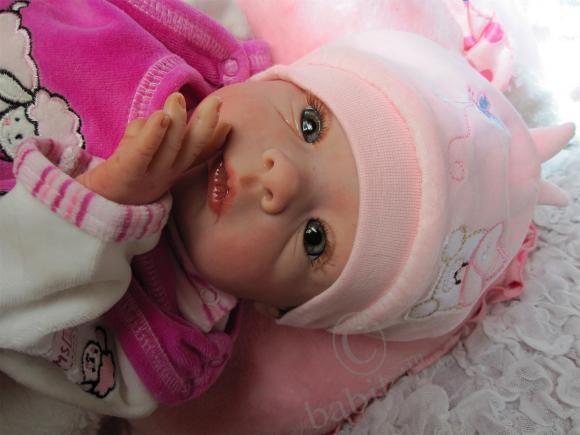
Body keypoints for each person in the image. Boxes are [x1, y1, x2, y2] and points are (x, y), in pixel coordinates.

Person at [0, 0, 575, 428]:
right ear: (276, 79)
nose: (281, 179)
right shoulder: (196, 39)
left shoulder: (160, 347)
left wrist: (100, 209)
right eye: (310, 124)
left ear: (277, 308)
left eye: (315, 238)